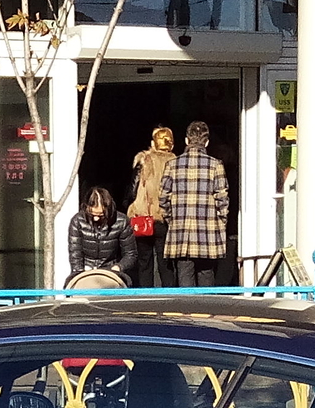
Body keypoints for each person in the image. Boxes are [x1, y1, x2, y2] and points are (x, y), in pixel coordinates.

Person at [159, 120, 233, 289]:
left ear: (186, 140)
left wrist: (171, 220)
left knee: (184, 275)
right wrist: (221, 223)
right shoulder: (216, 165)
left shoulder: (172, 165)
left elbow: (163, 197)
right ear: (206, 142)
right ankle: (205, 314)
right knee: (206, 274)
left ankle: (186, 313)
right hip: (208, 230)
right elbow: (223, 200)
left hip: (180, 230)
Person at [127, 126, 174, 285]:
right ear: (171, 144)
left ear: (153, 143)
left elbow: (132, 190)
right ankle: (168, 297)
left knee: (144, 262)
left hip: (143, 217)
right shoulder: (175, 163)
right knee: (165, 263)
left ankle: (145, 297)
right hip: (165, 217)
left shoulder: (143, 160)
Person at [67, 186, 128, 282]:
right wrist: (80, 271)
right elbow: (75, 253)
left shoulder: (122, 221)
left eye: (101, 215)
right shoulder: (77, 221)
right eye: (92, 214)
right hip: (85, 270)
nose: (96, 218)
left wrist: (119, 266)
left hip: (111, 270)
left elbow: (130, 254)